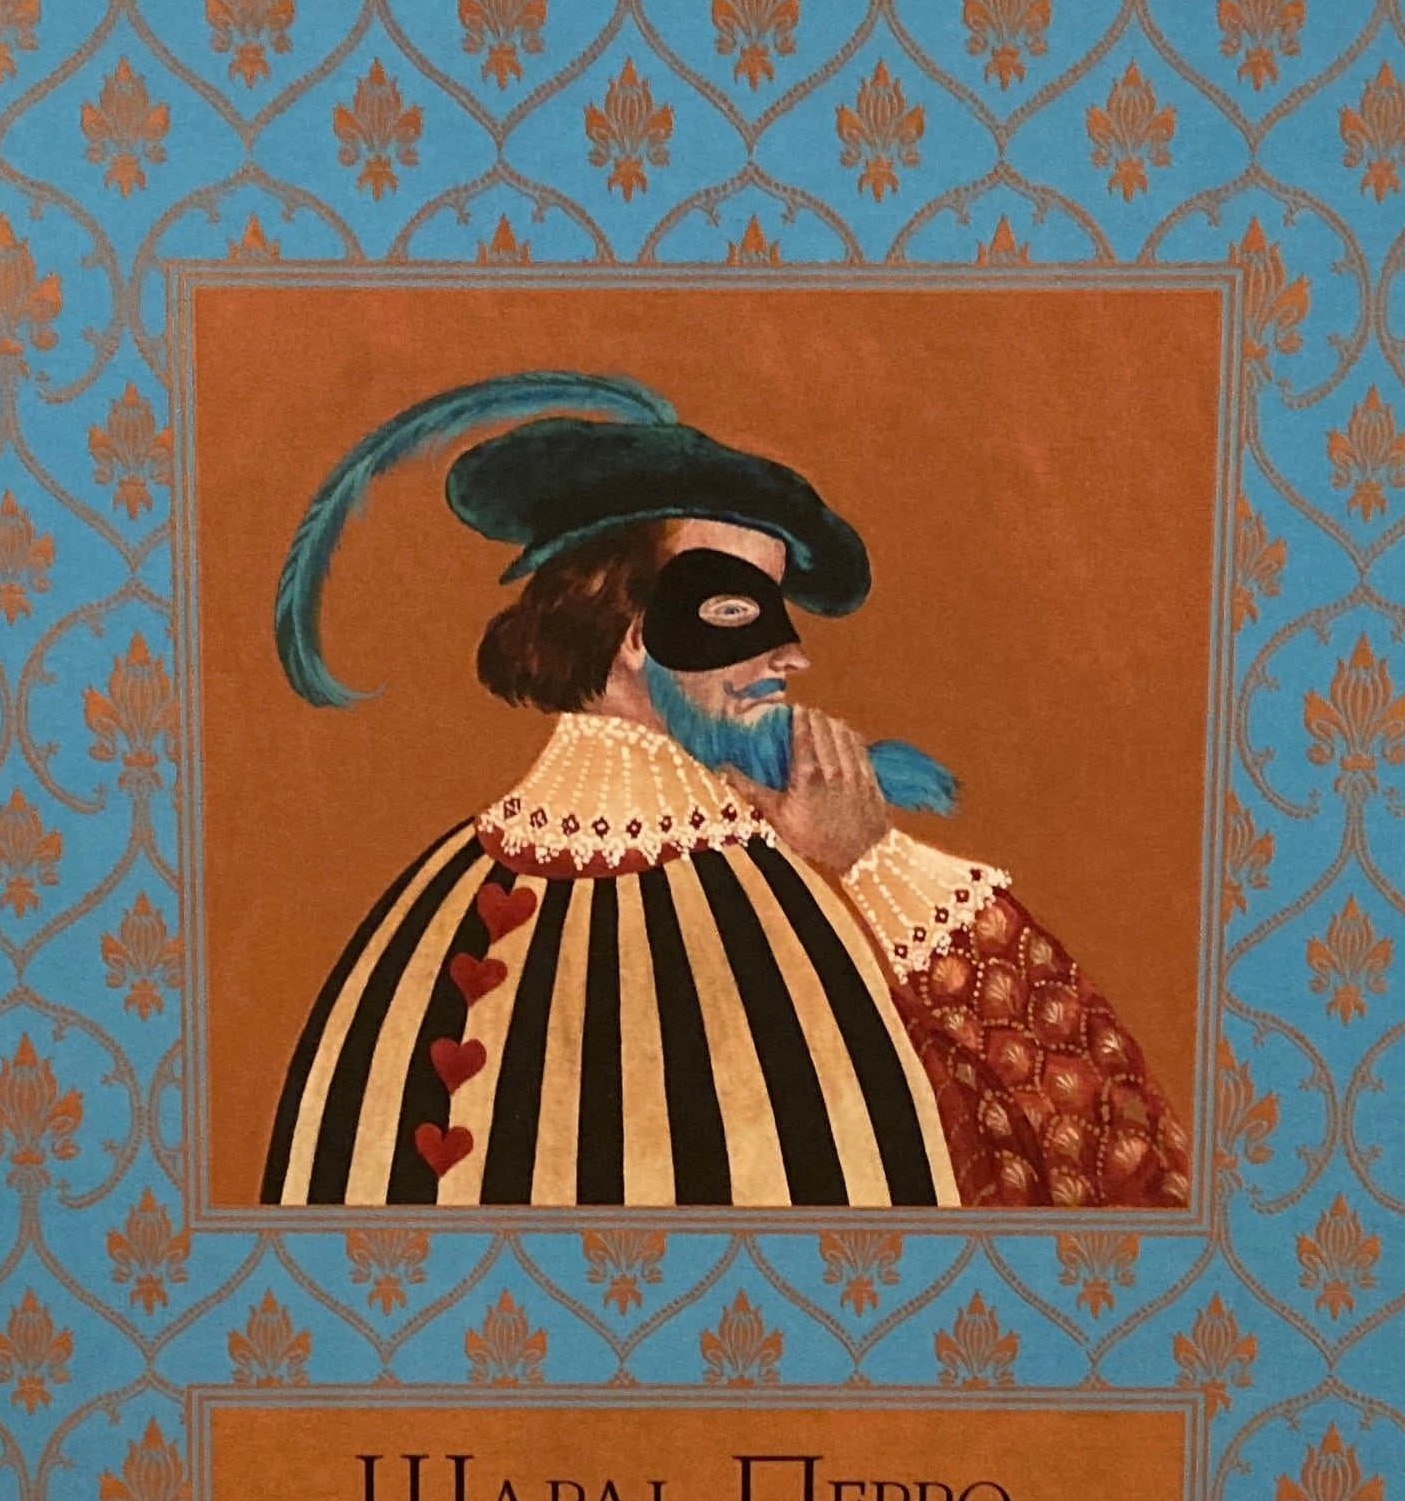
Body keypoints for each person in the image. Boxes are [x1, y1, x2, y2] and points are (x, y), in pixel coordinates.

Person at [261, 373, 1190, 1214]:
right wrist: (868, 864)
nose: (791, 655)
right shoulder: (468, 911)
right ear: (631, 632)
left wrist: (868, 861)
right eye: (738, 610)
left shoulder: (457, 892)